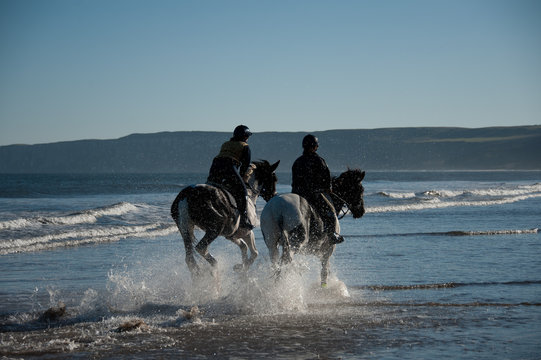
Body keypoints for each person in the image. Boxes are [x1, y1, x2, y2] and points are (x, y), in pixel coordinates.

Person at [291, 134, 344, 244]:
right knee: (330, 213)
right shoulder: (319, 160)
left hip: (297, 194)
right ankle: (332, 235)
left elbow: (294, 180)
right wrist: (328, 188)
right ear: (314, 146)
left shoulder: (297, 161)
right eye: (316, 146)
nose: (317, 148)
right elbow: (326, 176)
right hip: (313, 194)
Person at [207, 125, 254, 229]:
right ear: (245, 136)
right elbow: (245, 166)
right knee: (243, 191)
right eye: (247, 136)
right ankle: (243, 220)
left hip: (215, 167)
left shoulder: (226, 144)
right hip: (229, 167)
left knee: (210, 187)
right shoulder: (245, 146)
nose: (248, 138)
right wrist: (242, 179)